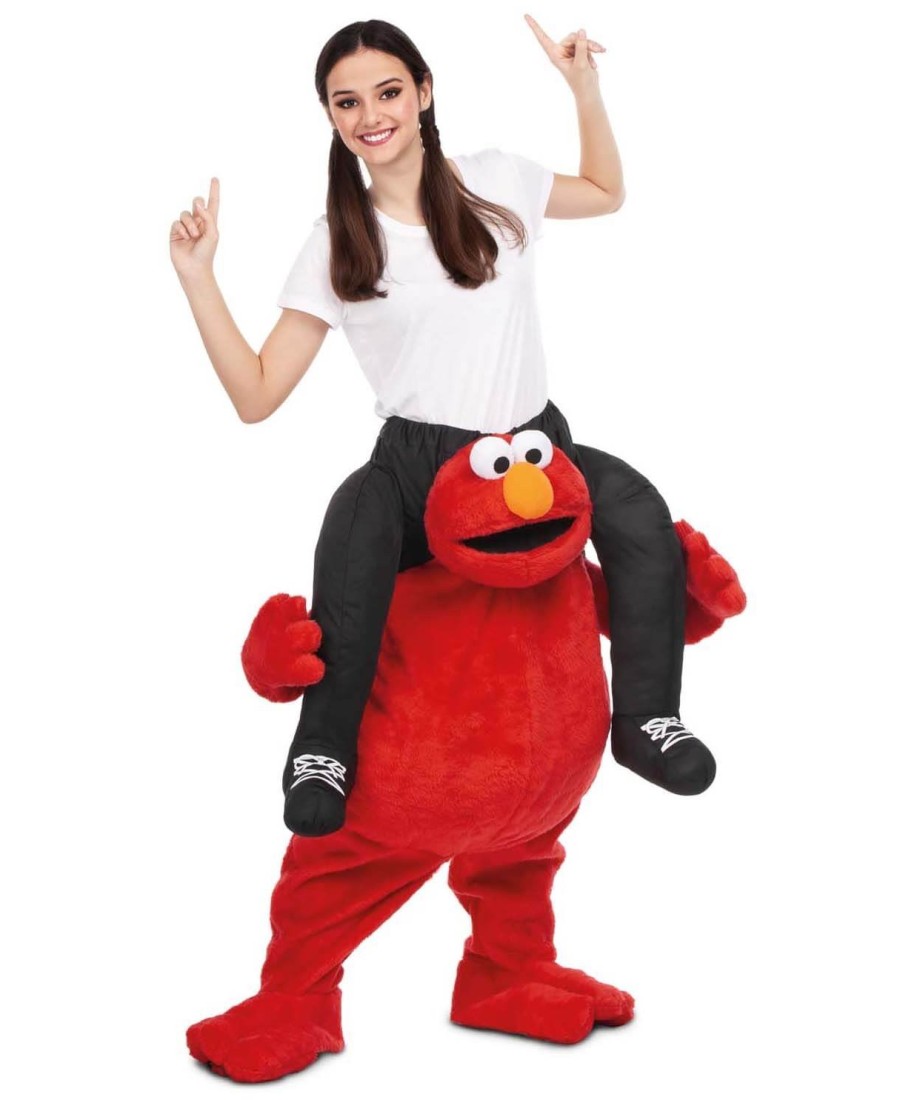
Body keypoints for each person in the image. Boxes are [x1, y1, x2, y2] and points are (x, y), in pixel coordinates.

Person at [169, 18, 717, 837]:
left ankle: (647, 719)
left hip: (533, 447)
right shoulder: (337, 242)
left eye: (388, 91)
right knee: (352, 524)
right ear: (330, 116)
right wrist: (197, 277)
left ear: (424, 93)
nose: (371, 116)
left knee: (636, 509)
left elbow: (606, 193)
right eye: (347, 102)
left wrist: (583, 88)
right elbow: (256, 394)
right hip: (420, 467)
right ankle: (322, 750)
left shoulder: (497, 180)